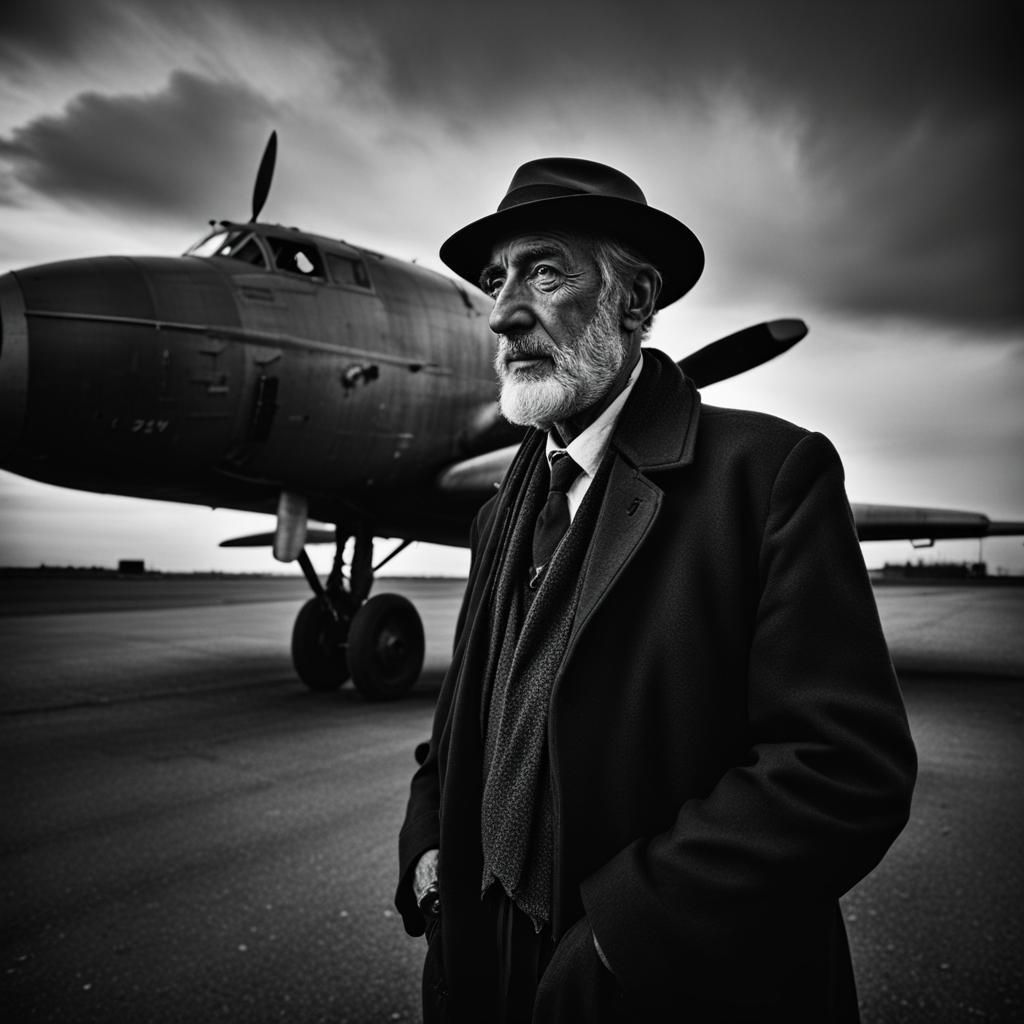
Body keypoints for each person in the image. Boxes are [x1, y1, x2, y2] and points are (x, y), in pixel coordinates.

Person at [396, 157, 916, 1023]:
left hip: (663, 987)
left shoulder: (772, 474)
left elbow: (843, 770)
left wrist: (622, 938)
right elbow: (465, 722)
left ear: (633, 303)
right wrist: (427, 852)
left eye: (545, 271)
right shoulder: (500, 514)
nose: (504, 311)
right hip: (485, 975)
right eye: (497, 280)